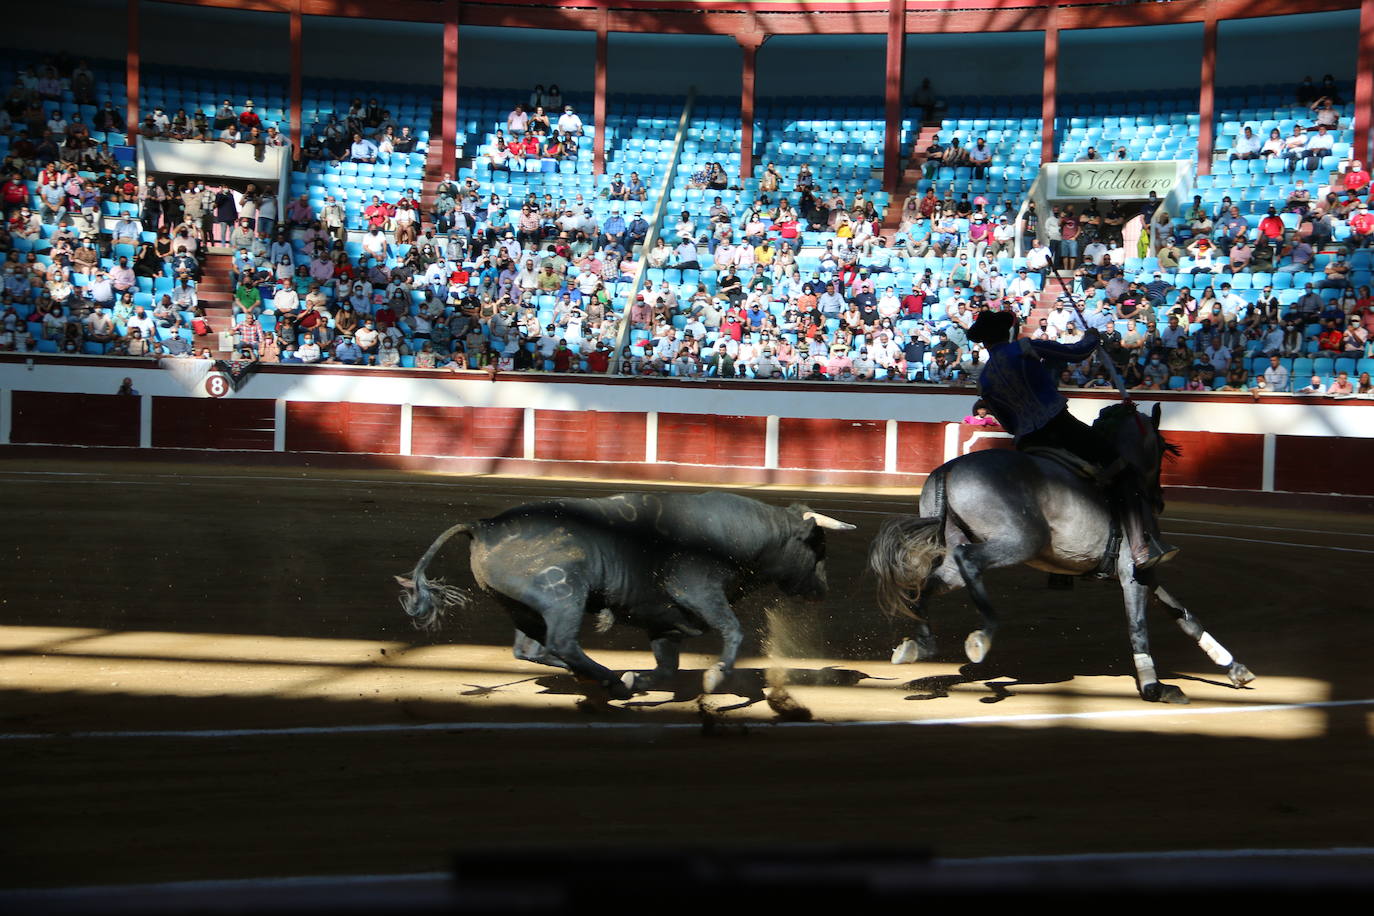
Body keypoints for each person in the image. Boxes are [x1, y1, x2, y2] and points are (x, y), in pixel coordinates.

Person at [965, 310, 1178, 573]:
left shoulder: (984, 381)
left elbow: (1008, 424)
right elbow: (1076, 353)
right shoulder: (1024, 347)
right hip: (1060, 427)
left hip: (1026, 443)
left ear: (984, 342)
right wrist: (1092, 337)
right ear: (1006, 332)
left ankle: (1059, 570)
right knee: (1121, 468)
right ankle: (1141, 548)